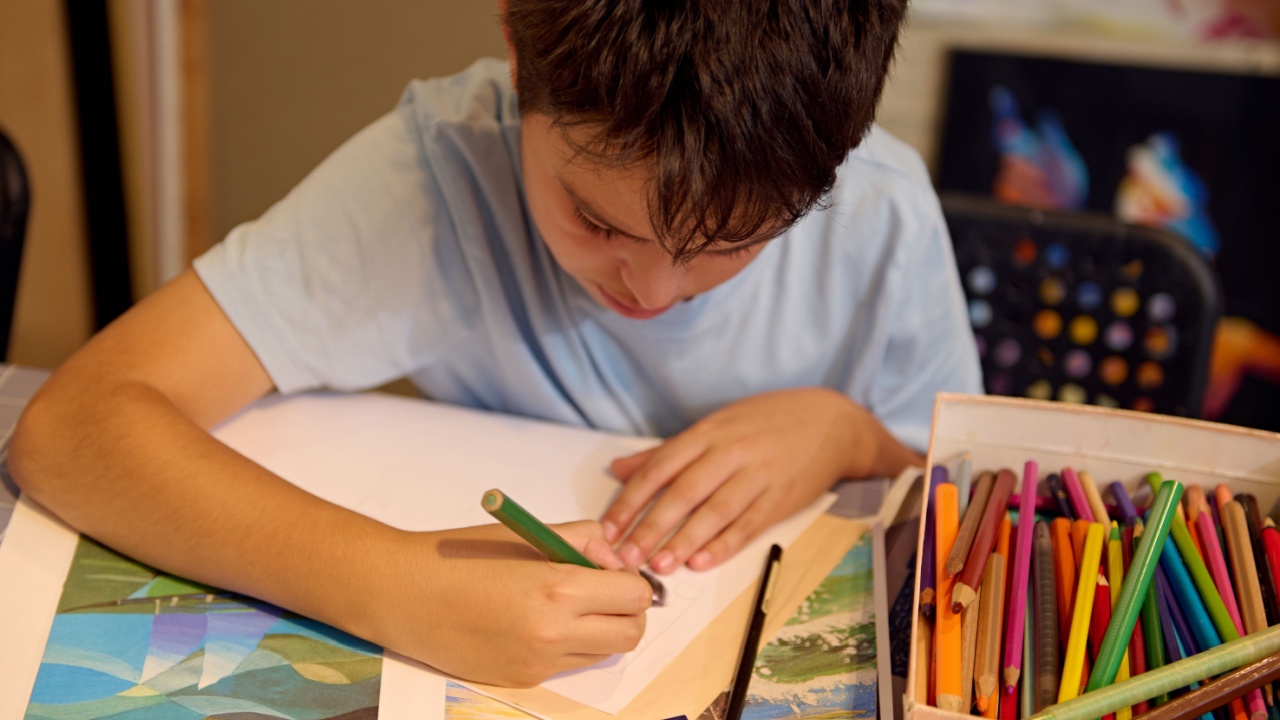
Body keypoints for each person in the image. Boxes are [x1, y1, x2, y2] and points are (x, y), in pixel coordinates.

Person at [10, 0, 980, 688]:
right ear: (519, 53)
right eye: (596, 221)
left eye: (728, 245)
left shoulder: (881, 221)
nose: (649, 288)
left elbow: (974, 507)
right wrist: (394, 584)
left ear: (833, 165)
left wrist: (848, 433)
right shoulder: (434, 181)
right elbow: (73, 427)